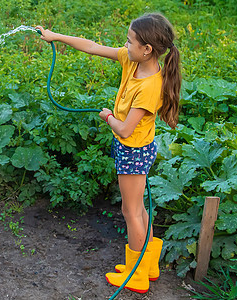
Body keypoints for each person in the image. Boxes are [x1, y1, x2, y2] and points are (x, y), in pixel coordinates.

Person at [36, 12, 181, 294]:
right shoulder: (132, 60)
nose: (125, 46)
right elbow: (91, 46)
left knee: (131, 211)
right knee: (138, 208)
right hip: (134, 148)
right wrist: (56, 37)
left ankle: (137, 275)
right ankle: (147, 265)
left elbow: (125, 130)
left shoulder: (150, 87)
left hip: (133, 150)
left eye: (129, 42)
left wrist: (107, 117)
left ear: (147, 49)